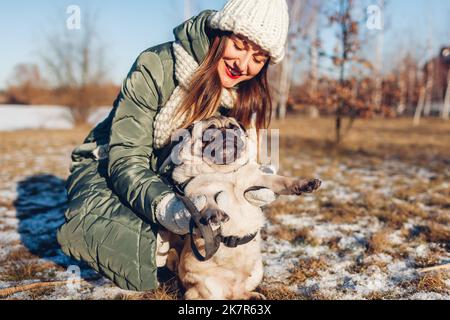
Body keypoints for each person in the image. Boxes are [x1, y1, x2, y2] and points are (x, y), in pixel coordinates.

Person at [57, 0, 290, 291]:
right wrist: (169, 208)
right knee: (108, 239)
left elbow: (255, 154)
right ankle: (164, 245)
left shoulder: (246, 94)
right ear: (221, 32)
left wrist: (259, 182)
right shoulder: (157, 66)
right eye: (240, 45)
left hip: (180, 179)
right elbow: (126, 157)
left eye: (258, 58)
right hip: (110, 164)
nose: (243, 65)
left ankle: (179, 249)